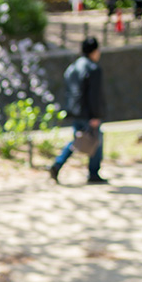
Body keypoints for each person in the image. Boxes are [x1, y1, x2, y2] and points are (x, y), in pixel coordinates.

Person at [50, 36, 108, 185]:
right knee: (95, 140)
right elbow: (94, 95)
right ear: (94, 51)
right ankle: (93, 172)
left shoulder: (72, 68)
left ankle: (58, 164)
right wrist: (96, 115)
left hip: (75, 110)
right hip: (89, 112)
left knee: (78, 140)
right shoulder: (93, 69)